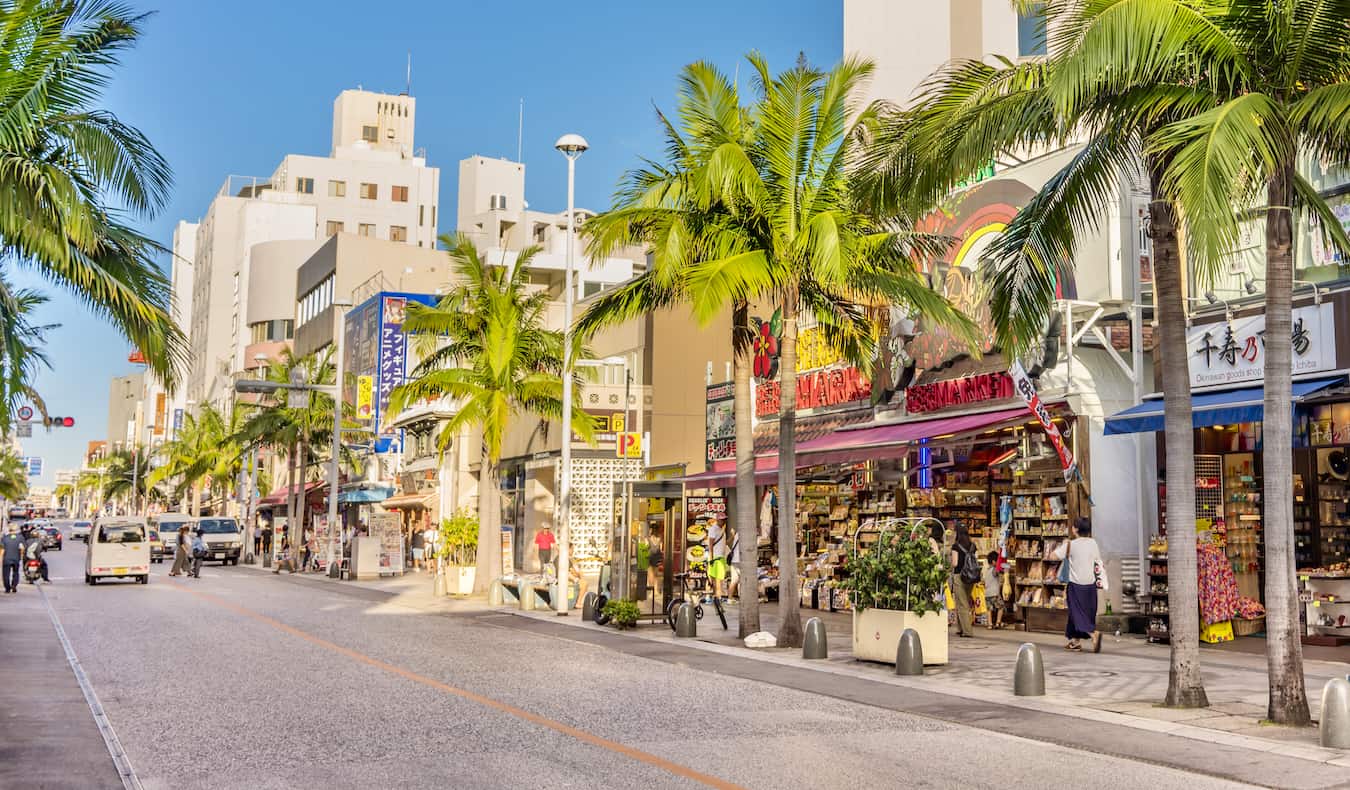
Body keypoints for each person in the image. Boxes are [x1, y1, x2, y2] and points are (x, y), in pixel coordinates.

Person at [1053, 518, 1104, 652]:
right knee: (1080, 612)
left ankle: (1094, 634)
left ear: (1076, 529)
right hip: (1090, 585)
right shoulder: (1093, 543)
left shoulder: (1071, 544)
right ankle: (1075, 641)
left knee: (1077, 613)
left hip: (1076, 585)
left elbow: (1054, 556)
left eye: (1073, 527)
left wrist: (1063, 545)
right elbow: (1097, 559)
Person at [949, 524, 978, 638]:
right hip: (970, 577)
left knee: (962, 604)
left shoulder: (955, 546)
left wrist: (949, 564)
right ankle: (961, 628)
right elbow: (976, 560)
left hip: (959, 576)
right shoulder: (973, 545)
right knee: (964, 602)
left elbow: (955, 563)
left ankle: (967, 631)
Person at [983, 551, 1006, 630]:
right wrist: (1004, 567)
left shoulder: (987, 570)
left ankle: (989, 624)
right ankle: (998, 622)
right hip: (994, 593)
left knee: (989, 609)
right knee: (1001, 606)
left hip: (987, 593)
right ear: (993, 562)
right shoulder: (994, 569)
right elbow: (998, 571)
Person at [2, 524, 23, 593]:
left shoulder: (5, 538)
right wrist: (21, 556)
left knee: (6, 574)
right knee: (16, 572)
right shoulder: (20, 538)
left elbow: (2, 549)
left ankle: (7, 588)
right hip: (16, 558)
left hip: (6, 558)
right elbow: (22, 548)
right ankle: (14, 585)